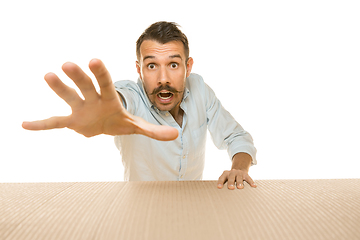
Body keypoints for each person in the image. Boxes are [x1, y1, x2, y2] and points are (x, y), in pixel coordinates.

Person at [22, 21, 257, 190]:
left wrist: (239, 167)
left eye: (173, 65)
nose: (163, 78)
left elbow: (236, 136)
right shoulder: (131, 94)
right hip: (140, 213)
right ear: (139, 70)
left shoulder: (199, 89)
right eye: (152, 66)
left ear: (188, 66)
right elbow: (121, 100)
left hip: (193, 209)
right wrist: (108, 108)